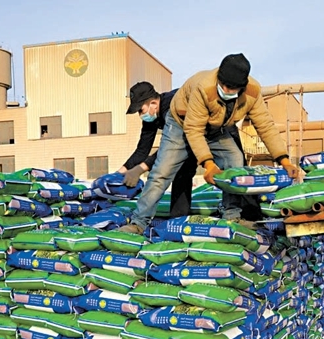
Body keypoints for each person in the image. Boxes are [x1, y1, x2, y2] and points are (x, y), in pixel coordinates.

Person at [119, 53, 299, 234]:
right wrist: (209, 164)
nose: (226, 90)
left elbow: (265, 125)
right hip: (181, 125)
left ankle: (232, 216)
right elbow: (194, 129)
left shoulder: (252, 92)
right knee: (162, 172)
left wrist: (284, 160)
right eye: (223, 85)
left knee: (235, 159)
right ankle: (138, 223)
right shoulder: (204, 88)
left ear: (242, 87)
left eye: (232, 88)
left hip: (215, 127)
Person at [120, 81, 197, 218]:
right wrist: (119, 174)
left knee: (230, 168)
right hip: (189, 138)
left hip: (213, 130)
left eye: (141, 110)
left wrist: (139, 169)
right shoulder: (151, 117)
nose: (140, 115)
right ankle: (178, 220)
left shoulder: (173, 106)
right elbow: (142, 150)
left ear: (153, 104)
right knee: (181, 170)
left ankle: (236, 212)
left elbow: (170, 149)